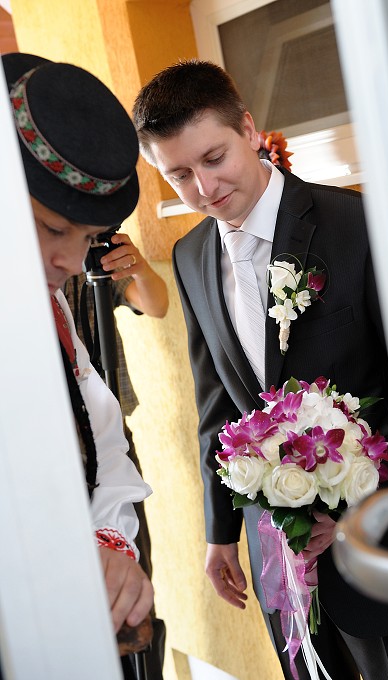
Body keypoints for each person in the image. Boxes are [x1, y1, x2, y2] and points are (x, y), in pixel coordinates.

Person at [132, 59, 388, 680]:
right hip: (279, 555)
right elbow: (217, 402)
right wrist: (221, 531)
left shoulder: (358, 225)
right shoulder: (192, 256)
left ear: (248, 129)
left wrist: (358, 504)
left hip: (383, 542)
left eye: (213, 158)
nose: (203, 188)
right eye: (179, 175)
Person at [2, 51, 154, 677]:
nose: (70, 261)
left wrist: (104, 544)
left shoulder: (50, 308)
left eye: (87, 238)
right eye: (50, 227)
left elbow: (101, 441)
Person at [64, 239, 168, 678]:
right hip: (57, 453)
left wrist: (138, 267)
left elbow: (156, 303)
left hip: (109, 442)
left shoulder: (86, 246)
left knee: (134, 578)